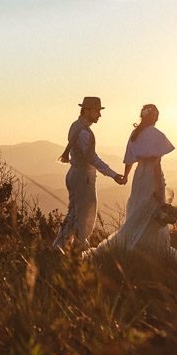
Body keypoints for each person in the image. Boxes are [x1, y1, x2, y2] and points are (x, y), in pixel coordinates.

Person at [89, 103, 177, 260]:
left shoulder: (136, 134)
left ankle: (134, 244)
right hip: (152, 178)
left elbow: (129, 159)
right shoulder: (157, 135)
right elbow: (156, 166)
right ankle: (151, 249)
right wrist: (160, 189)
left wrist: (126, 176)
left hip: (139, 177)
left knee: (138, 210)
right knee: (153, 211)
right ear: (156, 118)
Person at [52, 96, 126, 252]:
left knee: (74, 211)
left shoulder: (75, 126)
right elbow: (91, 158)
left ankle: (60, 247)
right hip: (83, 177)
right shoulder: (84, 133)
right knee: (84, 214)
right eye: (97, 111)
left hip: (74, 174)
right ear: (86, 111)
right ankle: (80, 248)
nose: (99, 115)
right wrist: (113, 174)